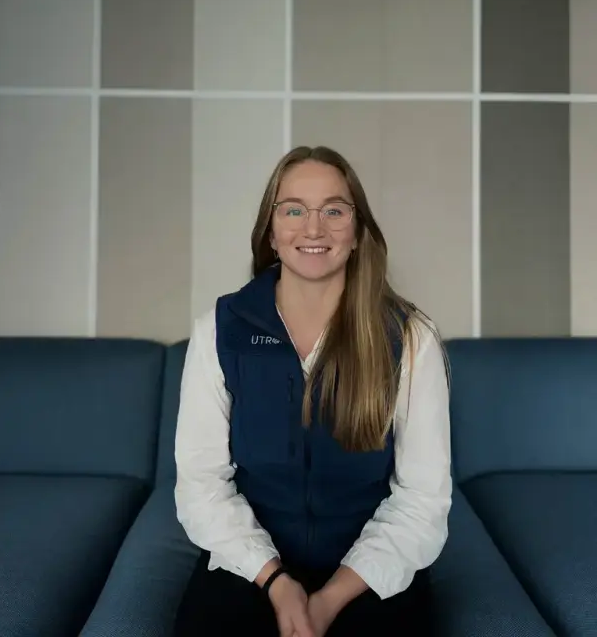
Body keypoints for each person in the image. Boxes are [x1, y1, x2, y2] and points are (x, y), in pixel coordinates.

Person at [173, 145, 452, 637]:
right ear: (271, 232)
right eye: (294, 210)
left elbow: (422, 498)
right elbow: (201, 484)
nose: (314, 228)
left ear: (358, 232)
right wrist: (277, 583)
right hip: (250, 566)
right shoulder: (220, 329)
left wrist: (328, 601)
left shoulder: (411, 336)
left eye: (334, 211)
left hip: (370, 572)